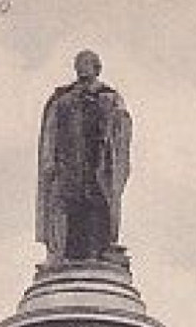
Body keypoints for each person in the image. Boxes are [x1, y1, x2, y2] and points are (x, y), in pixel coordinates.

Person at [36, 50, 132, 262]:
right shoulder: (62, 99)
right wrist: (49, 161)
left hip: (97, 164)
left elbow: (122, 129)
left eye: (87, 63)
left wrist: (114, 126)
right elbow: (50, 132)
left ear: (98, 68)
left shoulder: (110, 97)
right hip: (68, 165)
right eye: (78, 63)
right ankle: (63, 253)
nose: (81, 67)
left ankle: (99, 252)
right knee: (69, 208)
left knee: (97, 206)